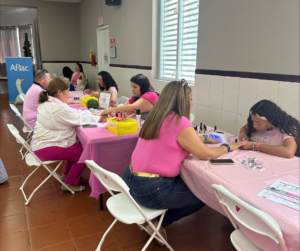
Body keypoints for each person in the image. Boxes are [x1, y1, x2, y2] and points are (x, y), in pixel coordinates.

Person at [123, 80, 246, 244]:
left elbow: (175, 137)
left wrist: (204, 138)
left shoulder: (156, 116)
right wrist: (229, 146)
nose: (192, 103)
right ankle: (158, 222)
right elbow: (206, 154)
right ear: (181, 101)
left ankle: (157, 219)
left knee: (191, 180)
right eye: (190, 98)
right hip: (150, 189)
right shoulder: (179, 121)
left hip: (130, 180)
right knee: (205, 193)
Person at [30, 78, 102, 192]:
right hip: (46, 147)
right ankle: (70, 183)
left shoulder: (49, 102)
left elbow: (73, 113)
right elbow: (76, 118)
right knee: (87, 153)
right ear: (59, 92)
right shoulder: (56, 107)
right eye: (67, 91)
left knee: (77, 147)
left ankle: (66, 175)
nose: (69, 95)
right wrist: (99, 117)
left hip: (43, 143)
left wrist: (90, 113)